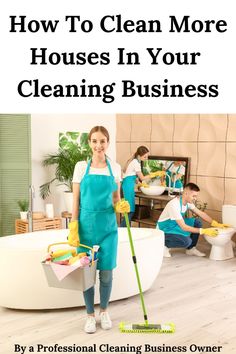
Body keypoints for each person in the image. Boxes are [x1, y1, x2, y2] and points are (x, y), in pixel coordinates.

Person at [68, 126, 130, 333]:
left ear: (108, 142)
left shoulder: (115, 167)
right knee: (87, 274)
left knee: (106, 274)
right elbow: (76, 199)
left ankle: (104, 311)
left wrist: (121, 206)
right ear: (89, 143)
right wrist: (73, 226)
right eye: (94, 141)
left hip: (108, 227)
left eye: (102, 141)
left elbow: (116, 199)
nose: (98, 145)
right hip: (85, 227)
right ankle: (89, 315)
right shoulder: (80, 167)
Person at [157, 182, 229, 258]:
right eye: (193, 196)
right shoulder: (174, 205)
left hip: (175, 224)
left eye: (196, 196)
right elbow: (184, 227)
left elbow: (200, 213)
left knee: (196, 222)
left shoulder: (187, 202)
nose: (195, 198)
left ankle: (191, 249)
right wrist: (203, 231)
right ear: (186, 193)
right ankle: (164, 245)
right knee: (186, 241)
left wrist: (215, 223)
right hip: (165, 229)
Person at [120, 146, 164, 227]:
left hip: (126, 186)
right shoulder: (136, 163)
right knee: (130, 211)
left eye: (147, 156)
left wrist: (140, 184)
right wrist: (155, 174)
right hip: (128, 187)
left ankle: (124, 232)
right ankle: (120, 231)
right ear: (139, 156)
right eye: (145, 157)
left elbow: (132, 176)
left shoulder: (133, 161)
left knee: (128, 211)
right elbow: (142, 177)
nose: (146, 158)